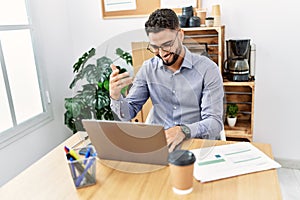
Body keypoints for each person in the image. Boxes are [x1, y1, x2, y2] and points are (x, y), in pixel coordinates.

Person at [109, 8, 224, 152]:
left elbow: (214, 123)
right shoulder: (148, 69)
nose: (162, 53)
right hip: (159, 146)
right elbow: (129, 112)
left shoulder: (208, 69)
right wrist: (115, 96)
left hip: (195, 145)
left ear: (180, 35)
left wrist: (183, 131)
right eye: (155, 47)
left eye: (167, 44)